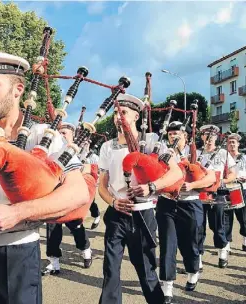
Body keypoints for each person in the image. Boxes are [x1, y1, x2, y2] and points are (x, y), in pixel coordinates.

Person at [0, 51, 90, 304]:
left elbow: (77, 193)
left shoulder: (43, 135)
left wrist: (18, 213)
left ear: (18, 89)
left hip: (18, 255)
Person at [98, 94, 183, 304]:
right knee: (110, 271)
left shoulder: (152, 142)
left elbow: (175, 173)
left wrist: (151, 187)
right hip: (116, 213)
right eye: (116, 113)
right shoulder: (107, 147)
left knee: (146, 270)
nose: (119, 117)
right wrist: (112, 201)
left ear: (136, 116)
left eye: (124, 113)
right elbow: (101, 185)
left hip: (143, 214)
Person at [156, 121, 216, 303]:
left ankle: (192, 272)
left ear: (187, 137)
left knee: (190, 244)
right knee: (168, 244)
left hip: (190, 204)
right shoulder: (162, 153)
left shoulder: (198, 154)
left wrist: (191, 185)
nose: (173, 137)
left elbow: (211, 178)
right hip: (167, 203)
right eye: (171, 134)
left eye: (178, 134)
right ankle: (167, 286)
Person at [42, 122, 93, 276]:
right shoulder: (53, 150)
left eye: (65, 133)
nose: (62, 135)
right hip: (53, 194)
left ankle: (85, 248)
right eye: (60, 132)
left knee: (76, 226)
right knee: (52, 228)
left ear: (72, 135)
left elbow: (88, 169)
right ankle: (54, 262)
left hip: (72, 195)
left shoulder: (81, 151)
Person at [197, 125, 237, 269]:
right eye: (206, 135)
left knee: (217, 225)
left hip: (218, 192)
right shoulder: (195, 153)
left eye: (212, 135)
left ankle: (222, 251)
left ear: (216, 137)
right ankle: (198, 258)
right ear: (202, 136)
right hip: (199, 192)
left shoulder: (223, 153)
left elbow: (233, 174)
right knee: (198, 226)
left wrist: (221, 181)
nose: (209, 138)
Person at [223, 133, 246, 252]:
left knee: (243, 217)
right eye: (229, 142)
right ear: (226, 145)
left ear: (238, 144)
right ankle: (226, 243)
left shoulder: (244, 157)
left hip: (242, 189)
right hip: (227, 189)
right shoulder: (223, 157)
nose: (231, 144)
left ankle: (245, 239)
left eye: (234, 142)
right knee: (226, 217)